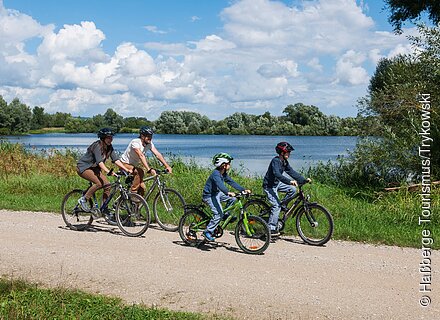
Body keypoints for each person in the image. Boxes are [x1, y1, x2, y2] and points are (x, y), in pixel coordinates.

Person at [76, 128, 132, 216]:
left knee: (107, 185)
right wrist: (108, 171)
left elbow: (116, 160)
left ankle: (104, 208)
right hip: (84, 167)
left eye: (111, 137)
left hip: (94, 169)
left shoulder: (109, 147)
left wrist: (126, 169)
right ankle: (83, 199)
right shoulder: (97, 146)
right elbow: (100, 162)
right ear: (103, 138)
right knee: (99, 183)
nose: (111, 139)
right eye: (108, 137)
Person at [263, 142, 311, 236]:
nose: (289, 154)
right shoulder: (275, 161)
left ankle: (283, 205)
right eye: (288, 152)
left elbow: (292, 172)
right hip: (269, 186)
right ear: (281, 152)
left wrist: (303, 180)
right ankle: (271, 229)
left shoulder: (284, 162)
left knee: (292, 189)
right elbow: (277, 174)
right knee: (276, 206)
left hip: (277, 184)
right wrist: (289, 181)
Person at [202, 152, 251, 241]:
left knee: (233, 199)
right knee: (218, 213)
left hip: (216, 194)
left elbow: (231, 182)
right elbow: (220, 185)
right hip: (209, 196)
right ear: (223, 165)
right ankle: (208, 231)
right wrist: (227, 192)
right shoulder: (216, 174)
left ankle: (226, 215)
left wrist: (243, 190)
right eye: (228, 163)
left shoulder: (223, 173)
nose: (230, 165)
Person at [119, 126, 172, 196]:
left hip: (133, 166)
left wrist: (167, 166)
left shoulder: (149, 144)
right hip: (124, 164)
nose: (150, 138)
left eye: (151, 136)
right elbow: (141, 155)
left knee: (142, 189)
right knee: (140, 171)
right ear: (142, 136)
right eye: (148, 136)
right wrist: (149, 169)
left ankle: (135, 206)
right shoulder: (135, 142)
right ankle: (133, 194)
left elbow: (157, 154)